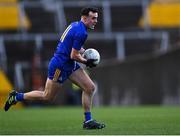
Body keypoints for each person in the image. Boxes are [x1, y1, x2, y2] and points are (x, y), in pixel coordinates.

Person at [4, 7, 105, 129]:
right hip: (60, 65)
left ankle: (88, 121)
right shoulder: (82, 33)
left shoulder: (75, 25)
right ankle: (16, 97)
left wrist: (85, 52)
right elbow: (73, 55)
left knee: (90, 88)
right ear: (85, 18)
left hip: (69, 64)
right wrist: (86, 61)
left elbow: (72, 47)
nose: (95, 21)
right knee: (47, 96)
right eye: (93, 18)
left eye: (96, 18)